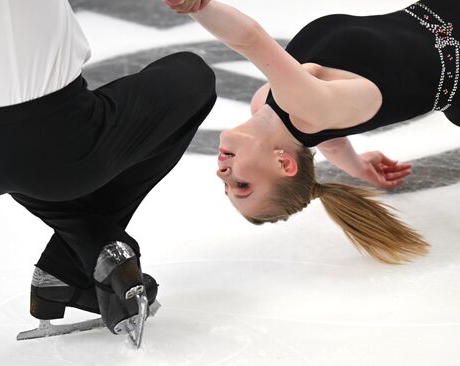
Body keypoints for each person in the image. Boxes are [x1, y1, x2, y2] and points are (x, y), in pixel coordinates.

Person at [0, 0, 217, 342]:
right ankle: (77, 262)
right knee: (191, 78)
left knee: (24, 160)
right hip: (56, 146)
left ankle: (85, 256)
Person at [166, 0, 460, 264]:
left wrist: (358, 167)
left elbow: (330, 144)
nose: (222, 174)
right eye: (242, 185)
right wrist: (197, 5)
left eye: (226, 186)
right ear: (284, 163)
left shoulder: (270, 105)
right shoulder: (308, 109)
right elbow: (250, 39)